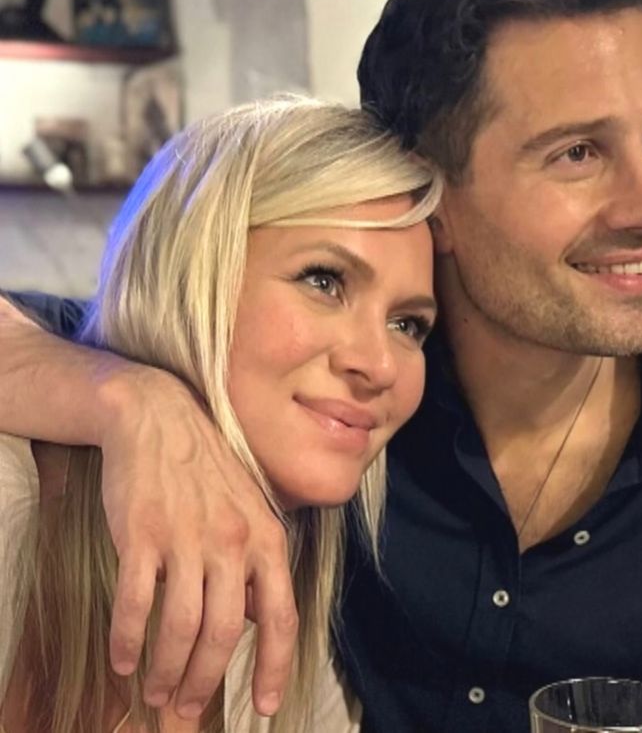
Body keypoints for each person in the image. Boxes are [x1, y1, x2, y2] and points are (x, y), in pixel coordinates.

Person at [0, 0, 642, 731]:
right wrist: (132, 400)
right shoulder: (322, 400)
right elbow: (124, 326)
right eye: (577, 153)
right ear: (434, 196)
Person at [0, 96, 440, 731]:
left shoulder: (287, 605)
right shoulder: (14, 509)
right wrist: (130, 397)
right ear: (191, 273)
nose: (379, 365)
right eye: (323, 280)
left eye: (408, 324)